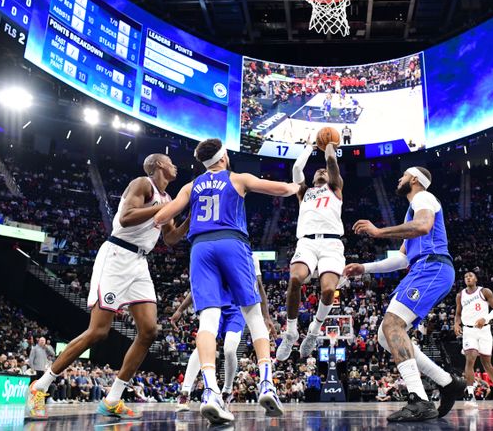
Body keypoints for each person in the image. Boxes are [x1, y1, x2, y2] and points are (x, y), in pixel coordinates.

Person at [26, 154, 189, 420]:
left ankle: (112, 399)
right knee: (98, 331)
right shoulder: (142, 184)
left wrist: (190, 215)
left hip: (140, 263)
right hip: (117, 256)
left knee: (149, 331)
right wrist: (167, 211)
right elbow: (126, 218)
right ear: (159, 165)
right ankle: (40, 386)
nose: (175, 165)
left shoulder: (169, 200)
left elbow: (170, 238)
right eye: (170, 162)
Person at [154, 138, 300, 425]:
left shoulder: (190, 186)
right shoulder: (238, 178)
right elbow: (282, 189)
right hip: (232, 243)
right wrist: (297, 187)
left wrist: (190, 215)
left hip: (200, 249)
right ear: (223, 158)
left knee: (207, 322)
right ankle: (266, 384)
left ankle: (209, 391)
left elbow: (160, 218)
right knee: (254, 315)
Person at [344, 167, 461, 422]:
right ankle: (447, 382)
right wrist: (365, 268)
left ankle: (419, 399)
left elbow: (423, 225)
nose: (399, 179)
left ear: (415, 179)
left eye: (403, 176)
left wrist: (378, 231)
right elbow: (401, 259)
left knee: (392, 324)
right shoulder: (414, 207)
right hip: (422, 267)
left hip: (432, 266)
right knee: (385, 336)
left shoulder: (423, 198)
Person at [171, 252, 276, 410]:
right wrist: (180, 309)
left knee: (229, 349)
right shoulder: (213, 251)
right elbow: (201, 286)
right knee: (202, 347)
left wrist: (266, 316)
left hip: (237, 309)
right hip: (215, 304)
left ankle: (227, 391)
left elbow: (258, 287)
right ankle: (185, 393)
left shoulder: (249, 255)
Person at [277, 143, 345, 362]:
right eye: (319, 171)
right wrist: (309, 147)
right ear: (313, 176)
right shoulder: (304, 192)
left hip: (331, 244)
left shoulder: (335, 188)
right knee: (295, 278)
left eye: (324, 171)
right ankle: (291, 332)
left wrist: (328, 149)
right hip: (306, 242)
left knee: (328, 291)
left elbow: (332, 164)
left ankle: (314, 331)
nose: (322, 172)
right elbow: (297, 169)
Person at [454, 272, 493, 408]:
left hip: (484, 330)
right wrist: (456, 323)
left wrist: (485, 318)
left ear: (476, 279)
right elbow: (458, 313)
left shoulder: (484, 291)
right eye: (466, 277)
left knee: (487, 365)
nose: (468, 278)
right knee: (470, 358)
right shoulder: (460, 295)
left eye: (470, 276)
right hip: (469, 331)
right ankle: (470, 394)